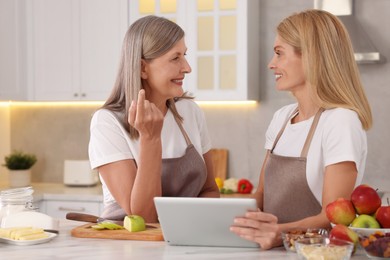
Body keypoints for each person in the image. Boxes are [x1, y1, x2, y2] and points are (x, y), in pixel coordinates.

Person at [230, 9, 373, 249]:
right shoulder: (282, 118)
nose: (271, 64)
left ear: (311, 57)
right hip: (269, 251)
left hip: (315, 252)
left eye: (279, 54)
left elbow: (333, 218)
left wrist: (280, 233)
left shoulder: (341, 122)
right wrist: (228, 217)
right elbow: (261, 198)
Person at [88, 15, 219, 223]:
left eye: (184, 55)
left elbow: (210, 190)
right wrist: (150, 139)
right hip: (131, 249)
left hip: (185, 242)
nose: (187, 67)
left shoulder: (190, 112)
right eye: (175, 58)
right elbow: (142, 217)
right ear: (142, 68)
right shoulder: (107, 123)